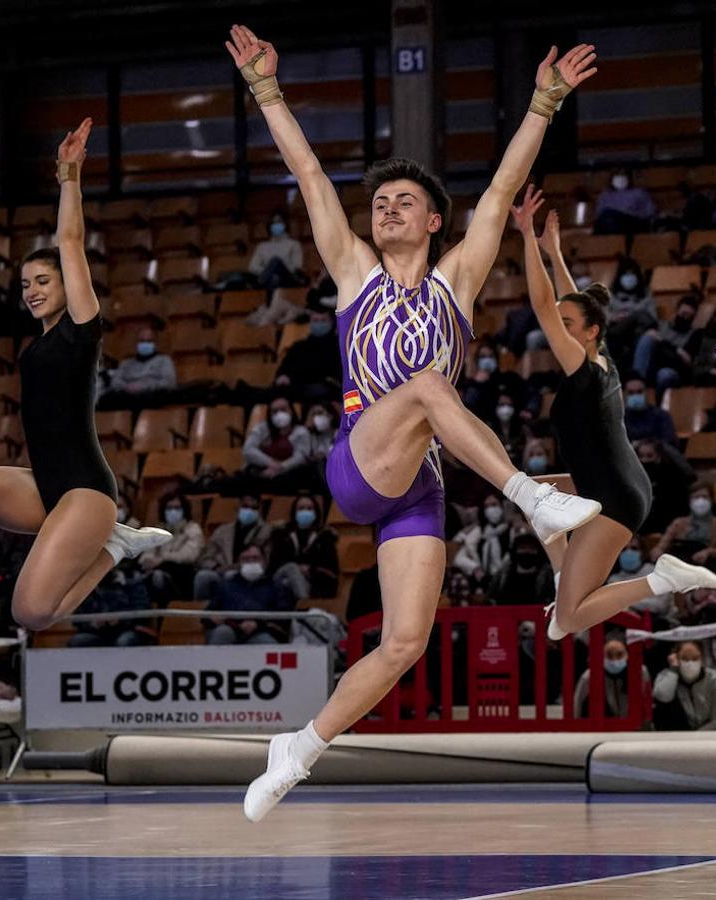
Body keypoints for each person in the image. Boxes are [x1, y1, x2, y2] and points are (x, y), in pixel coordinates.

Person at [230, 26, 603, 821]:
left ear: (436, 223)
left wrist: (543, 102)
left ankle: (298, 750)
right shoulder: (353, 270)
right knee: (431, 385)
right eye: (381, 204)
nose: (387, 208)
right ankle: (530, 499)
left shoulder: (457, 283)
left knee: (405, 643)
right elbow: (306, 173)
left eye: (405, 202)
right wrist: (267, 90)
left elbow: (501, 193)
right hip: (357, 464)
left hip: (420, 484)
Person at [0, 120, 171, 672]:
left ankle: (113, 547)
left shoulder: (81, 330)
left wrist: (69, 174)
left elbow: (69, 241)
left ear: (70, 287)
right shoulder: (38, 343)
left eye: (43, 281)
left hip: (85, 491)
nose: (33, 291)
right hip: (47, 487)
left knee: (33, 613)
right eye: (25, 285)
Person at [510, 187, 716, 638]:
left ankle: (660, 580)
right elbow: (571, 305)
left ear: (589, 334)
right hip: (614, 484)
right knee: (530, 492)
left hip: (615, 497)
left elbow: (547, 307)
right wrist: (555, 252)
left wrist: (527, 237)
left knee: (568, 620)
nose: (561, 333)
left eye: (570, 329)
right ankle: (566, 575)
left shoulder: (585, 368)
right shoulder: (598, 355)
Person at [194, 494, 274, 601]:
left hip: (249, 571)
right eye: (245, 506)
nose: (249, 510)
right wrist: (216, 567)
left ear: (259, 511)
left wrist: (240, 567)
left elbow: (266, 559)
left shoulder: (267, 531)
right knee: (203, 576)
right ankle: (201, 613)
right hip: (221, 570)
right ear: (238, 508)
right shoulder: (222, 531)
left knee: (231, 575)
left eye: (254, 508)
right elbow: (205, 557)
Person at [206, 544, 290, 645]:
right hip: (232, 629)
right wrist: (214, 618)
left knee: (266, 641)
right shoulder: (226, 585)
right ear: (238, 563)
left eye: (256, 558)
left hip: (261, 631)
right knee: (222, 632)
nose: (251, 562)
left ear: (264, 561)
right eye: (245, 559)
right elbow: (207, 615)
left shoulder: (276, 586)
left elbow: (284, 617)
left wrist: (258, 624)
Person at [138, 493, 205, 605]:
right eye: (169, 508)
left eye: (177, 508)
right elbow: (147, 552)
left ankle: (163, 614)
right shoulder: (158, 530)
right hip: (157, 569)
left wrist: (162, 559)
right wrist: (147, 560)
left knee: (158, 577)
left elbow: (189, 555)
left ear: (184, 510)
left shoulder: (193, 529)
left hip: (182, 574)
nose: (173, 511)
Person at [271, 492, 340, 600]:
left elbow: (330, 568)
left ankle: (299, 607)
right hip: (282, 574)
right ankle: (305, 602)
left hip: (311, 580)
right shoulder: (282, 534)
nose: (305, 511)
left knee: (288, 584)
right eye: (301, 508)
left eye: (309, 508)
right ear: (294, 512)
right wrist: (298, 568)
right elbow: (275, 561)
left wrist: (309, 570)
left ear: (316, 512)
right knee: (291, 568)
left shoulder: (325, 536)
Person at [652, 640, 716, 731]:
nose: (690, 663)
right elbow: (663, 697)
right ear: (676, 659)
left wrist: (694, 738)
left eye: (695, 658)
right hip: (676, 735)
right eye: (684, 659)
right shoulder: (666, 676)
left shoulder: (715, 680)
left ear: (702, 659)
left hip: (708, 734)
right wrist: (673, 670)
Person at [650, 484, 716, 566]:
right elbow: (663, 543)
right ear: (690, 501)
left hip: (708, 563)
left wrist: (709, 552)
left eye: (704, 497)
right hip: (682, 562)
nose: (700, 501)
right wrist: (658, 550)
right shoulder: (678, 523)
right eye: (696, 497)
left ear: (711, 500)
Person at [273, 307, 341, 405]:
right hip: (296, 386)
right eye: (315, 320)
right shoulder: (298, 347)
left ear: (331, 323)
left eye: (322, 320)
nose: (318, 324)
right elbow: (285, 368)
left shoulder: (337, 347)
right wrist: (283, 376)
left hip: (326, 389)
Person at [573, 633, 648, 719]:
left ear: (627, 655)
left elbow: (647, 699)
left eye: (619, 654)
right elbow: (578, 703)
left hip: (633, 725)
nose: (614, 659)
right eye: (609, 655)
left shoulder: (639, 672)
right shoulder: (589, 676)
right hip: (602, 726)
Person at [99, 325, 177, 408]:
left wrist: (143, 386)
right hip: (126, 396)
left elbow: (169, 383)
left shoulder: (164, 361)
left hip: (150, 396)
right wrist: (128, 387)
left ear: (155, 343)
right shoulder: (126, 363)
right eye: (142, 341)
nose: (145, 344)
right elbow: (115, 383)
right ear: (137, 343)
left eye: (149, 341)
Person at [249, 211, 306, 293]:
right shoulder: (262, 246)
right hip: (270, 279)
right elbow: (252, 266)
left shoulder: (294, 244)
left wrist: (277, 270)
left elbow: (297, 266)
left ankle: (261, 282)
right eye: (274, 223)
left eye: (279, 222)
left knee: (275, 261)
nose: (276, 225)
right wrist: (271, 274)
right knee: (273, 279)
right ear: (270, 226)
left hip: (287, 278)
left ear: (285, 224)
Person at [593, 168, 655, 235]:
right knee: (607, 218)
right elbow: (599, 214)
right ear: (612, 178)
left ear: (629, 178)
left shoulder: (639, 193)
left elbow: (649, 213)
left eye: (623, 175)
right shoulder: (605, 196)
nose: (620, 178)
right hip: (610, 224)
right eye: (617, 175)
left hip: (632, 223)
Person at [620, 375, 677, 446]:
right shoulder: (619, 419)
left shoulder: (661, 416)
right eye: (631, 393)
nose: (635, 396)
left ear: (646, 392)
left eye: (639, 392)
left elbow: (669, 442)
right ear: (624, 395)